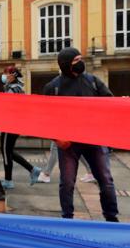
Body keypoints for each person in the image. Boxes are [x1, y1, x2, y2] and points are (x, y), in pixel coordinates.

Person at [43, 47, 119, 222]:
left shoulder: (93, 82)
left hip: (95, 140)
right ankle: (67, 218)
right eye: (76, 60)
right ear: (65, 65)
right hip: (68, 144)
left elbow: (111, 105)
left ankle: (111, 217)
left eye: (80, 59)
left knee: (106, 180)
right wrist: (56, 138)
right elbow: (44, 117)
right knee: (67, 183)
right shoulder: (52, 87)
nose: (81, 63)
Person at [0, 66, 41, 189]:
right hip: (15, 124)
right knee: (9, 151)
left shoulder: (13, 89)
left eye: (6, 73)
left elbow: (8, 108)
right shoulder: (18, 88)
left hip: (9, 124)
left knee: (5, 152)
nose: (4, 76)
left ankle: (8, 180)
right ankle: (33, 169)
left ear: (13, 75)